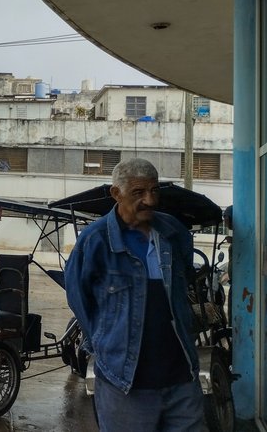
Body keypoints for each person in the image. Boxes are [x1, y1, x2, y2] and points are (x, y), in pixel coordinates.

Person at [65, 158, 203, 431]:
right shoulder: (95, 240)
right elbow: (78, 298)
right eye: (138, 193)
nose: (150, 200)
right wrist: (104, 344)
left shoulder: (173, 232)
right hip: (124, 381)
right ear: (116, 194)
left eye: (154, 191)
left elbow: (184, 280)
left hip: (181, 379)